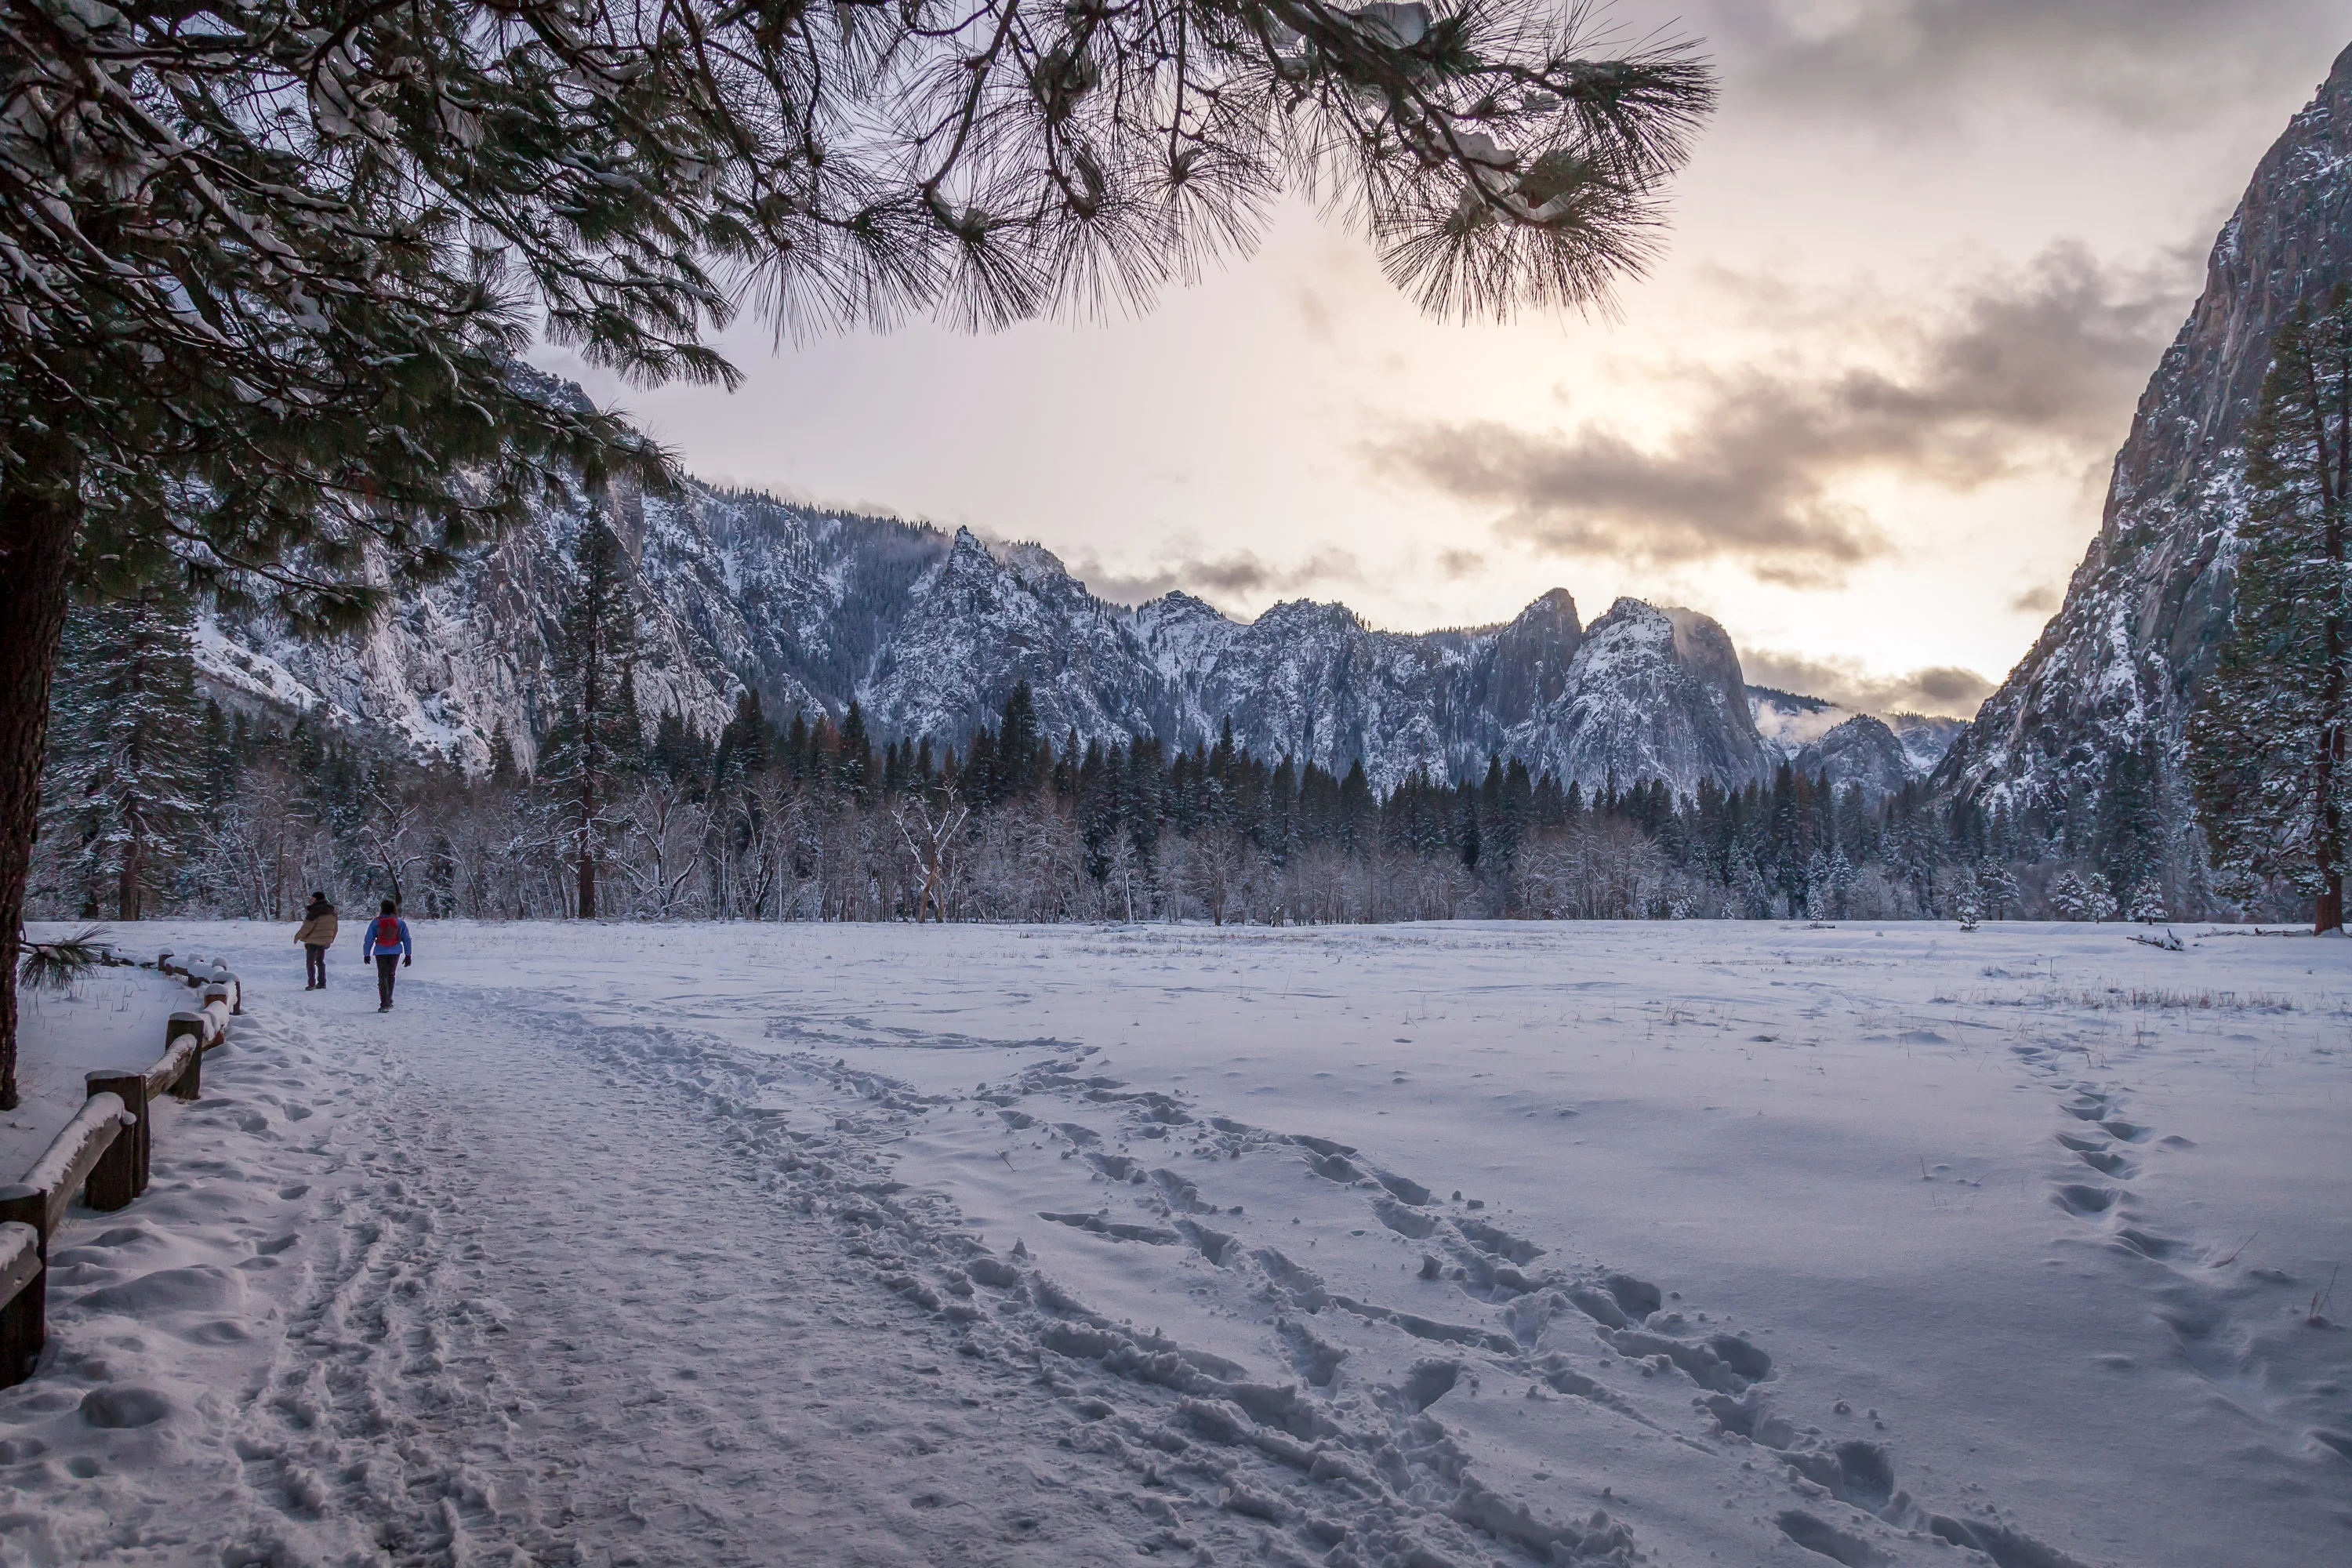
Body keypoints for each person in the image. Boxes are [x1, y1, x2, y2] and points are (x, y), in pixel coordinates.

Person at [361, 898, 413, 1012]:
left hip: (380, 951)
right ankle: (389, 999)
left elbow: (369, 939)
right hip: (395, 951)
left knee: (382, 976)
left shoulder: (376, 922)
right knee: (391, 975)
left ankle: (384, 1003)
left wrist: (366, 954)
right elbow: (407, 939)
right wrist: (408, 954)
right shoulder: (399, 922)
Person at [292, 891, 339, 989]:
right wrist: (331, 940)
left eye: (312, 898)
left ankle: (311, 984)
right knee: (320, 961)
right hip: (324, 941)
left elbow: (307, 927)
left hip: (313, 941)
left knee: (310, 962)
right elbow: (335, 927)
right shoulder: (332, 911)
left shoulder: (315, 911)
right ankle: (322, 983)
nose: (310, 900)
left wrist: (298, 936)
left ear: (317, 899)